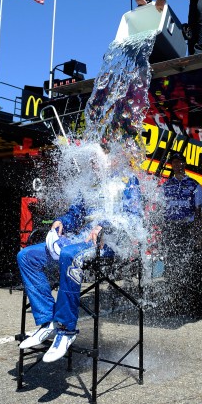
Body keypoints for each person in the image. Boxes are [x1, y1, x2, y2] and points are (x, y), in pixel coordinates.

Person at [17, 150, 142, 362]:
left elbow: (132, 217)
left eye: (100, 157)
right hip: (82, 240)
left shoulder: (127, 181)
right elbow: (75, 214)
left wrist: (105, 226)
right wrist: (61, 222)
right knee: (26, 256)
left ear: (114, 157)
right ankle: (47, 321)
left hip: (109, 244)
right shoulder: (89, 185)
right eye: (92, 159)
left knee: (68, 254)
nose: (94, 162)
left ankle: (66, 330)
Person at [162, 151, 202, 314]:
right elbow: (160, 210)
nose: (177, 165)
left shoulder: (194, 184)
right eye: (174, 162)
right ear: (171, 165)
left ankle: (191, 305)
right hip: (171, 229)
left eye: (180, 162)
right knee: (171, 267)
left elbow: (200, 213)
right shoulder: (166, 185)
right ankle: (173, 304)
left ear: (184, 164)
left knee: (188, 266)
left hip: (188, 229)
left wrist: (198, 236)